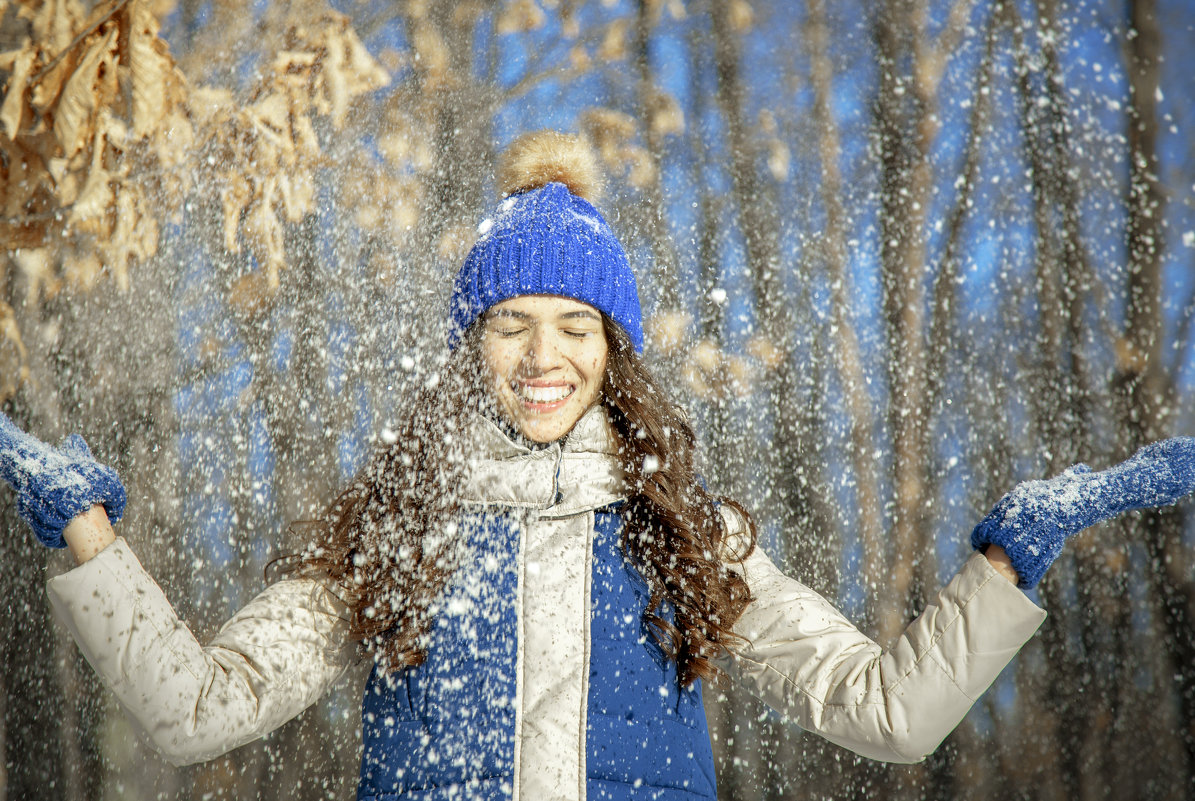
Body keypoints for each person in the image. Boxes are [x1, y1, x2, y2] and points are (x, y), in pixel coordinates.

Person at [3, 131, 1194, 801]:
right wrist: (87, 539)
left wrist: (1007, 560)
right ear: (468, 345)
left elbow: (885, 715)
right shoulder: (393, 531)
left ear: (611, 351)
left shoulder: (687, 536)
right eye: (509, 321)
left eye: (575, 326)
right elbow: (195, 715)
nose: (542, 354)